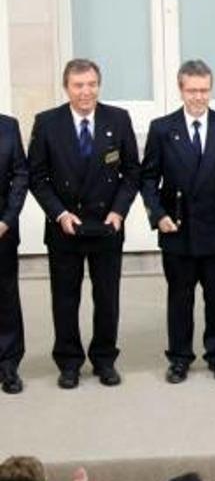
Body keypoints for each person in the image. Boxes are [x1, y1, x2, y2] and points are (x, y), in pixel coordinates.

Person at [28, 58, 140, 389]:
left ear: (98, 85)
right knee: (65, 298)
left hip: (107, 226)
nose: (86, 91)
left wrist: (119, 211)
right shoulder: (47, 123)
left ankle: (104, 359)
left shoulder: (117, 120)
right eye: (78, 85)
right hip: (65, 227)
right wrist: (60, 214)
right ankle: (69, 362)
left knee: (107, 298)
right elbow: (38, 177)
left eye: (91, 84)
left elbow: (132, 171)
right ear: (67, 88)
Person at [141, 60, 215, 384]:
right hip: (178, 229)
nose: (199, 97)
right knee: (180, 298)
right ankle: (179, 357)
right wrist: (158, 216)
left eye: (204, 90)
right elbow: (148, 179)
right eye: (192, 91)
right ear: (180, 89)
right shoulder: (162, 128)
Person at [0, 113, 28, 394]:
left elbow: (20, 174)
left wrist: (7, 220)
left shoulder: (8, 126)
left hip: (2, 230)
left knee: (5, 297)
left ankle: (8, 365)